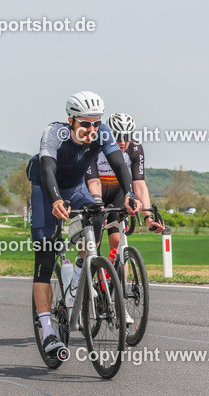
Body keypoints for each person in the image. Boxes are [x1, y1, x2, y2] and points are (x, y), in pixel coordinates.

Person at [28, 92, 139, 356]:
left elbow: (118, 164)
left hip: (76, 188)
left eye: (96, 123)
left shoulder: (102, 134)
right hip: (46, 190)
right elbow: (47, 169)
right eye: (85, 124)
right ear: (71, 120)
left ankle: (80, 270)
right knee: (45, 253)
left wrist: (130, 194)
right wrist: (55, 199)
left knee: (98, 214)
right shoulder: (55, 133)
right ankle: (48, 331)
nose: (92, 129)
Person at [85, 112, 161, 263]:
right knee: (94, 243)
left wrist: (148, 217)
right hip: (94, 192)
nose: (122, 142)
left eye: (126, 137)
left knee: (118, 243)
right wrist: (98, 206)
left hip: (117, 194)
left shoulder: (135, 149)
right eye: (117, 136)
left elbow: (139, 184)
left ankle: (121, 284)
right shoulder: (94, 147)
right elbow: (94, 182)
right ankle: (88, 275)